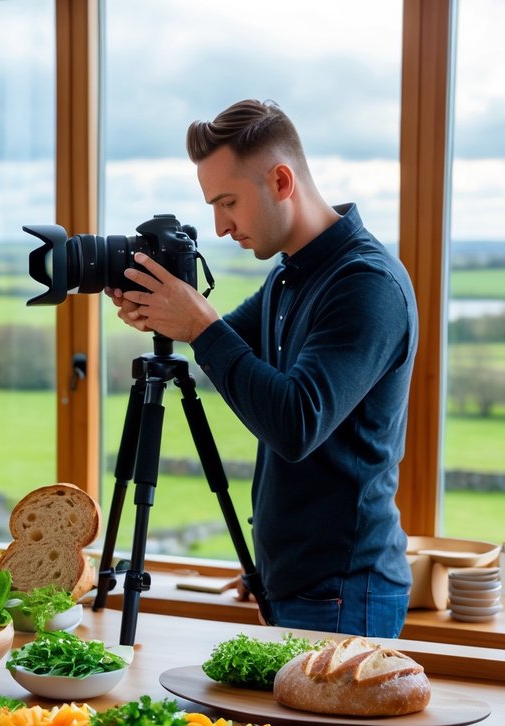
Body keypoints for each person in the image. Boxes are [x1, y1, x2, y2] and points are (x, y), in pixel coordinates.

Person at [107, 99, 417, 638]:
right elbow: (224, 346)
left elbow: (296, 423)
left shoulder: (365, 285)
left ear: (279, 181)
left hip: (344, 591)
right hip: (294, 582)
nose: (221, 227)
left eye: (228, 202)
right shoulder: (290, 275)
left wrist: (198, 327)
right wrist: (163, 314)